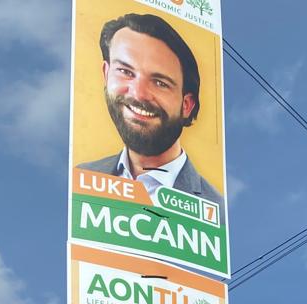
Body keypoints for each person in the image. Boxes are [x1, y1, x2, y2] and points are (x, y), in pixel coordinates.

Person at [78, 13, 225, 222]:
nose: (138, 94)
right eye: (125, 71)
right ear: (106, 73)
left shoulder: (216, 212)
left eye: (160, 83)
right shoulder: (82, 177)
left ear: (187, 105)